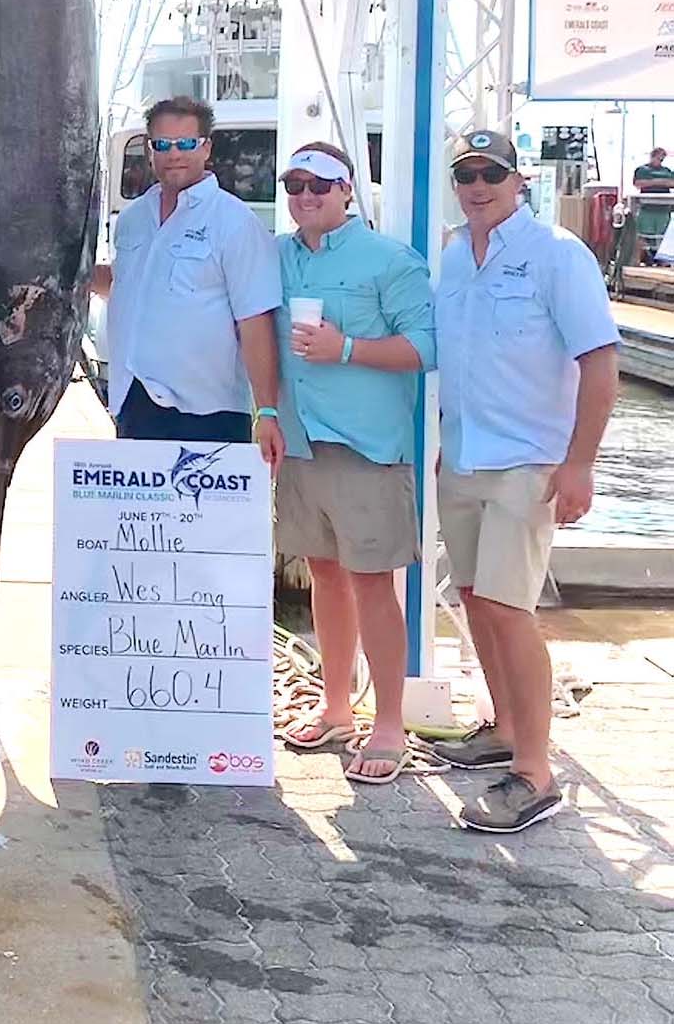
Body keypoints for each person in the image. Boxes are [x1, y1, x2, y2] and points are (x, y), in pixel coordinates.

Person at [432, 130, 620, 833]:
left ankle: (536, 775)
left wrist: (579, 463)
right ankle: (505, 728)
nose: (478, 186)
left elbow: (600, 363)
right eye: (466, 174)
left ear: (520, 181)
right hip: (464, 456)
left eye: (492, 173)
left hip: (528, 462)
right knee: (475, 597)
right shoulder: (455, 255)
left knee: (510, 608)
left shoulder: (558, 255)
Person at [267, 144, 435, 784]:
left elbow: (425, 347)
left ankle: (389, 724)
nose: (306, 195)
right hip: (301, 443)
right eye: (295, 184)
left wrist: (345, 349)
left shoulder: (392, 259)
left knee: (372, 583)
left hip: (368, 447)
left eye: (320, 184)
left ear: (347, 190)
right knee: (324, 575)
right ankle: (336, 706)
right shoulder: (276, 256)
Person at [91, 97, 282, 465]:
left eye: (186, 143)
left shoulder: (235, 222)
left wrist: (268, 412)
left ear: (206, 148)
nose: (174, 154)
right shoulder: (132, 219)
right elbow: (126, 286)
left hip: (209, 414)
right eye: (162, 144)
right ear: (150, 150)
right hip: (134, 405)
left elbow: (255, 322)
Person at [633, 146, 674, 261]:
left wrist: (653, 182)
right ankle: (643, 258)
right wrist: (661, 182)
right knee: (644, 234)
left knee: (662, 236)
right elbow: (638, 183)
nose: (660, 161)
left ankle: (662, 259)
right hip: (647, 208)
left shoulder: (667, 171)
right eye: (658, 158)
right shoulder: (642, 170)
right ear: (652, 156)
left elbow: (672, 183)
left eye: (662, 159)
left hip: (663, 208)